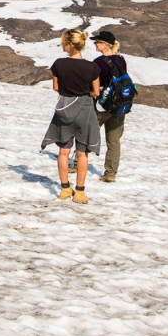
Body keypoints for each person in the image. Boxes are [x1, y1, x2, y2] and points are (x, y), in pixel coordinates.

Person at [41, 28, 101, 204]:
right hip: (85, 110)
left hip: (65, 107)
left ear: (68, 44)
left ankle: (65, 188)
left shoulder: (59, 64)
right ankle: (80, 192)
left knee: (64, 151)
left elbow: (56, 87)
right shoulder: (92, 67)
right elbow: (95, 91)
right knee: (82, 154)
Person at [90, 29, 129, 183]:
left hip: (102, 105)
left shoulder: (98, 62)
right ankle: (110, 173)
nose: (95, 44)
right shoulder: (121, 60)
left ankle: (78, 163)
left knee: (87, 134)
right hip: (119, 105)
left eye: (98, 42)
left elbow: (93, 83)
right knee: (113, 140)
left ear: (106, 45)